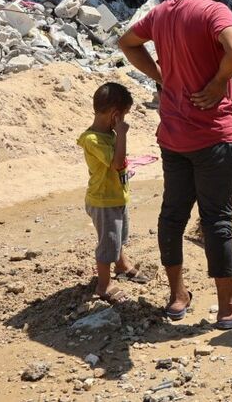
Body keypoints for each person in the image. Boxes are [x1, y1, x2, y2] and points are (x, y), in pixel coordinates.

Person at [119, 0, 232, 329]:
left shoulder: (162, 11)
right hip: (212, 137)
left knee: (172, 214)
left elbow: (127, 42)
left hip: (172, 136)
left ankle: (176, 297)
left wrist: (160, 76)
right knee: (217, 219)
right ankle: (229, 306)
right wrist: (220, 80)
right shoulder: (213, 11)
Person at [79, 82, 145, 303]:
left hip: (116, 196)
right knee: (108, 243)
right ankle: (103, 284)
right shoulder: (93, 140)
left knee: (118, 237)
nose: (124, 120)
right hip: (103, 200)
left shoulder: (107, 136)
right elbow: (117, 163)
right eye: (124, 116)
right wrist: (123, 134)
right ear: (115, 115)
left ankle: (122, 264)